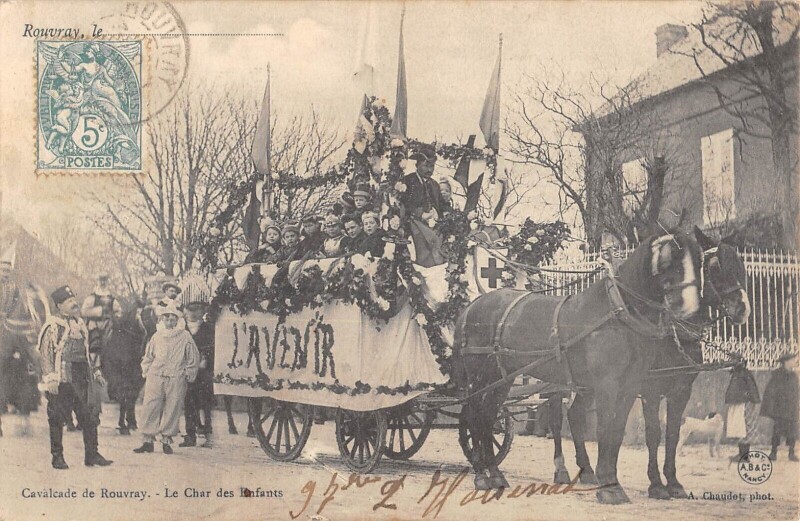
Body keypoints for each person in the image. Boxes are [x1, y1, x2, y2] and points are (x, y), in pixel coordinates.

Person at [38, 285, 112, 469]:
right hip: (62, 378)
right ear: (59, 305)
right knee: (56, 418)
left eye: (74, 300)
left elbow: (87, 353)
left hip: (81, 377)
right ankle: (57, 457)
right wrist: (51, 379)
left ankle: (92, 455)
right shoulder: (52, 326)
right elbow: (46, 354)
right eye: (69, 301)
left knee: (89, 416)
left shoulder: (80, 324)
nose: (74, 304)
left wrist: (95, 372)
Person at [134, 302, 200, 454]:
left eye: (173, 319)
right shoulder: (157, 336)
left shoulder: (185, 337)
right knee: (151, 405)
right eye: (167, 319)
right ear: (162, 320)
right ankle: (147, 440)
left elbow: (193, 357)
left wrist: (188, 372)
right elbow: (149, 355)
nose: (170, 322)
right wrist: (146, 370)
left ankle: (166, 440)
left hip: (176, 376)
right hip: (156, 375)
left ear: (177, 320)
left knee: (173, 406)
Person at [180, 301, 215, 448]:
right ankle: (190, 435)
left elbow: (213, 347)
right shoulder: (182, 329)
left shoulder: (208, 328)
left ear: (202, 311)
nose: (194, 313)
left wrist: (206, 358)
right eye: (190, 310)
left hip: (203, 370)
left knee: (206, 403)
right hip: (187, 370)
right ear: (185, 312)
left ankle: (208, 435)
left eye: (198, 310)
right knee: (188, 402)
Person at [761, 352, 799, 461]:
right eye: (792, 360)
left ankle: (791, 453)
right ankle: (773, 452)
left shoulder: (794, 375)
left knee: (792, 430)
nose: (795, 362)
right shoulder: (777, 375)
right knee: (777, 430)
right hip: (780, 408)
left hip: (792, 408)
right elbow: (771, 391)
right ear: (786, 362)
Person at [725, 361, 761, 463]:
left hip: (744, 404)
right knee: (740, 429)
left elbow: (751, 389)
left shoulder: (743, 374)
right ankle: (742, 454)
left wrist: (748, 401)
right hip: (739, 403)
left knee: (744, 428)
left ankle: (745, 456)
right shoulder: (738, 374)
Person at [81, 273, 122, 357]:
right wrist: (99, 311)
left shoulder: (112, 298)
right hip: (94, 325)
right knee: (94, 343)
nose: (103, 283)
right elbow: (84, 311)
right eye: (101, 281)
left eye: (105, 281)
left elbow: (118, 311)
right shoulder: (92, 298)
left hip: (108, 325)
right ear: (98, 282)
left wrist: (115, 317)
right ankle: (94, 363)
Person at [401, 143, 444, 219]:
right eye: (426, 166)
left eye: (432, 166)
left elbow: (442, 204)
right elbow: (404, 204)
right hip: (414, 223)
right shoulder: (408, 181)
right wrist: (420, 214)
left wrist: (446, 212)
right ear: (417, 165)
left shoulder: (435, 185)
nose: (429, 170)